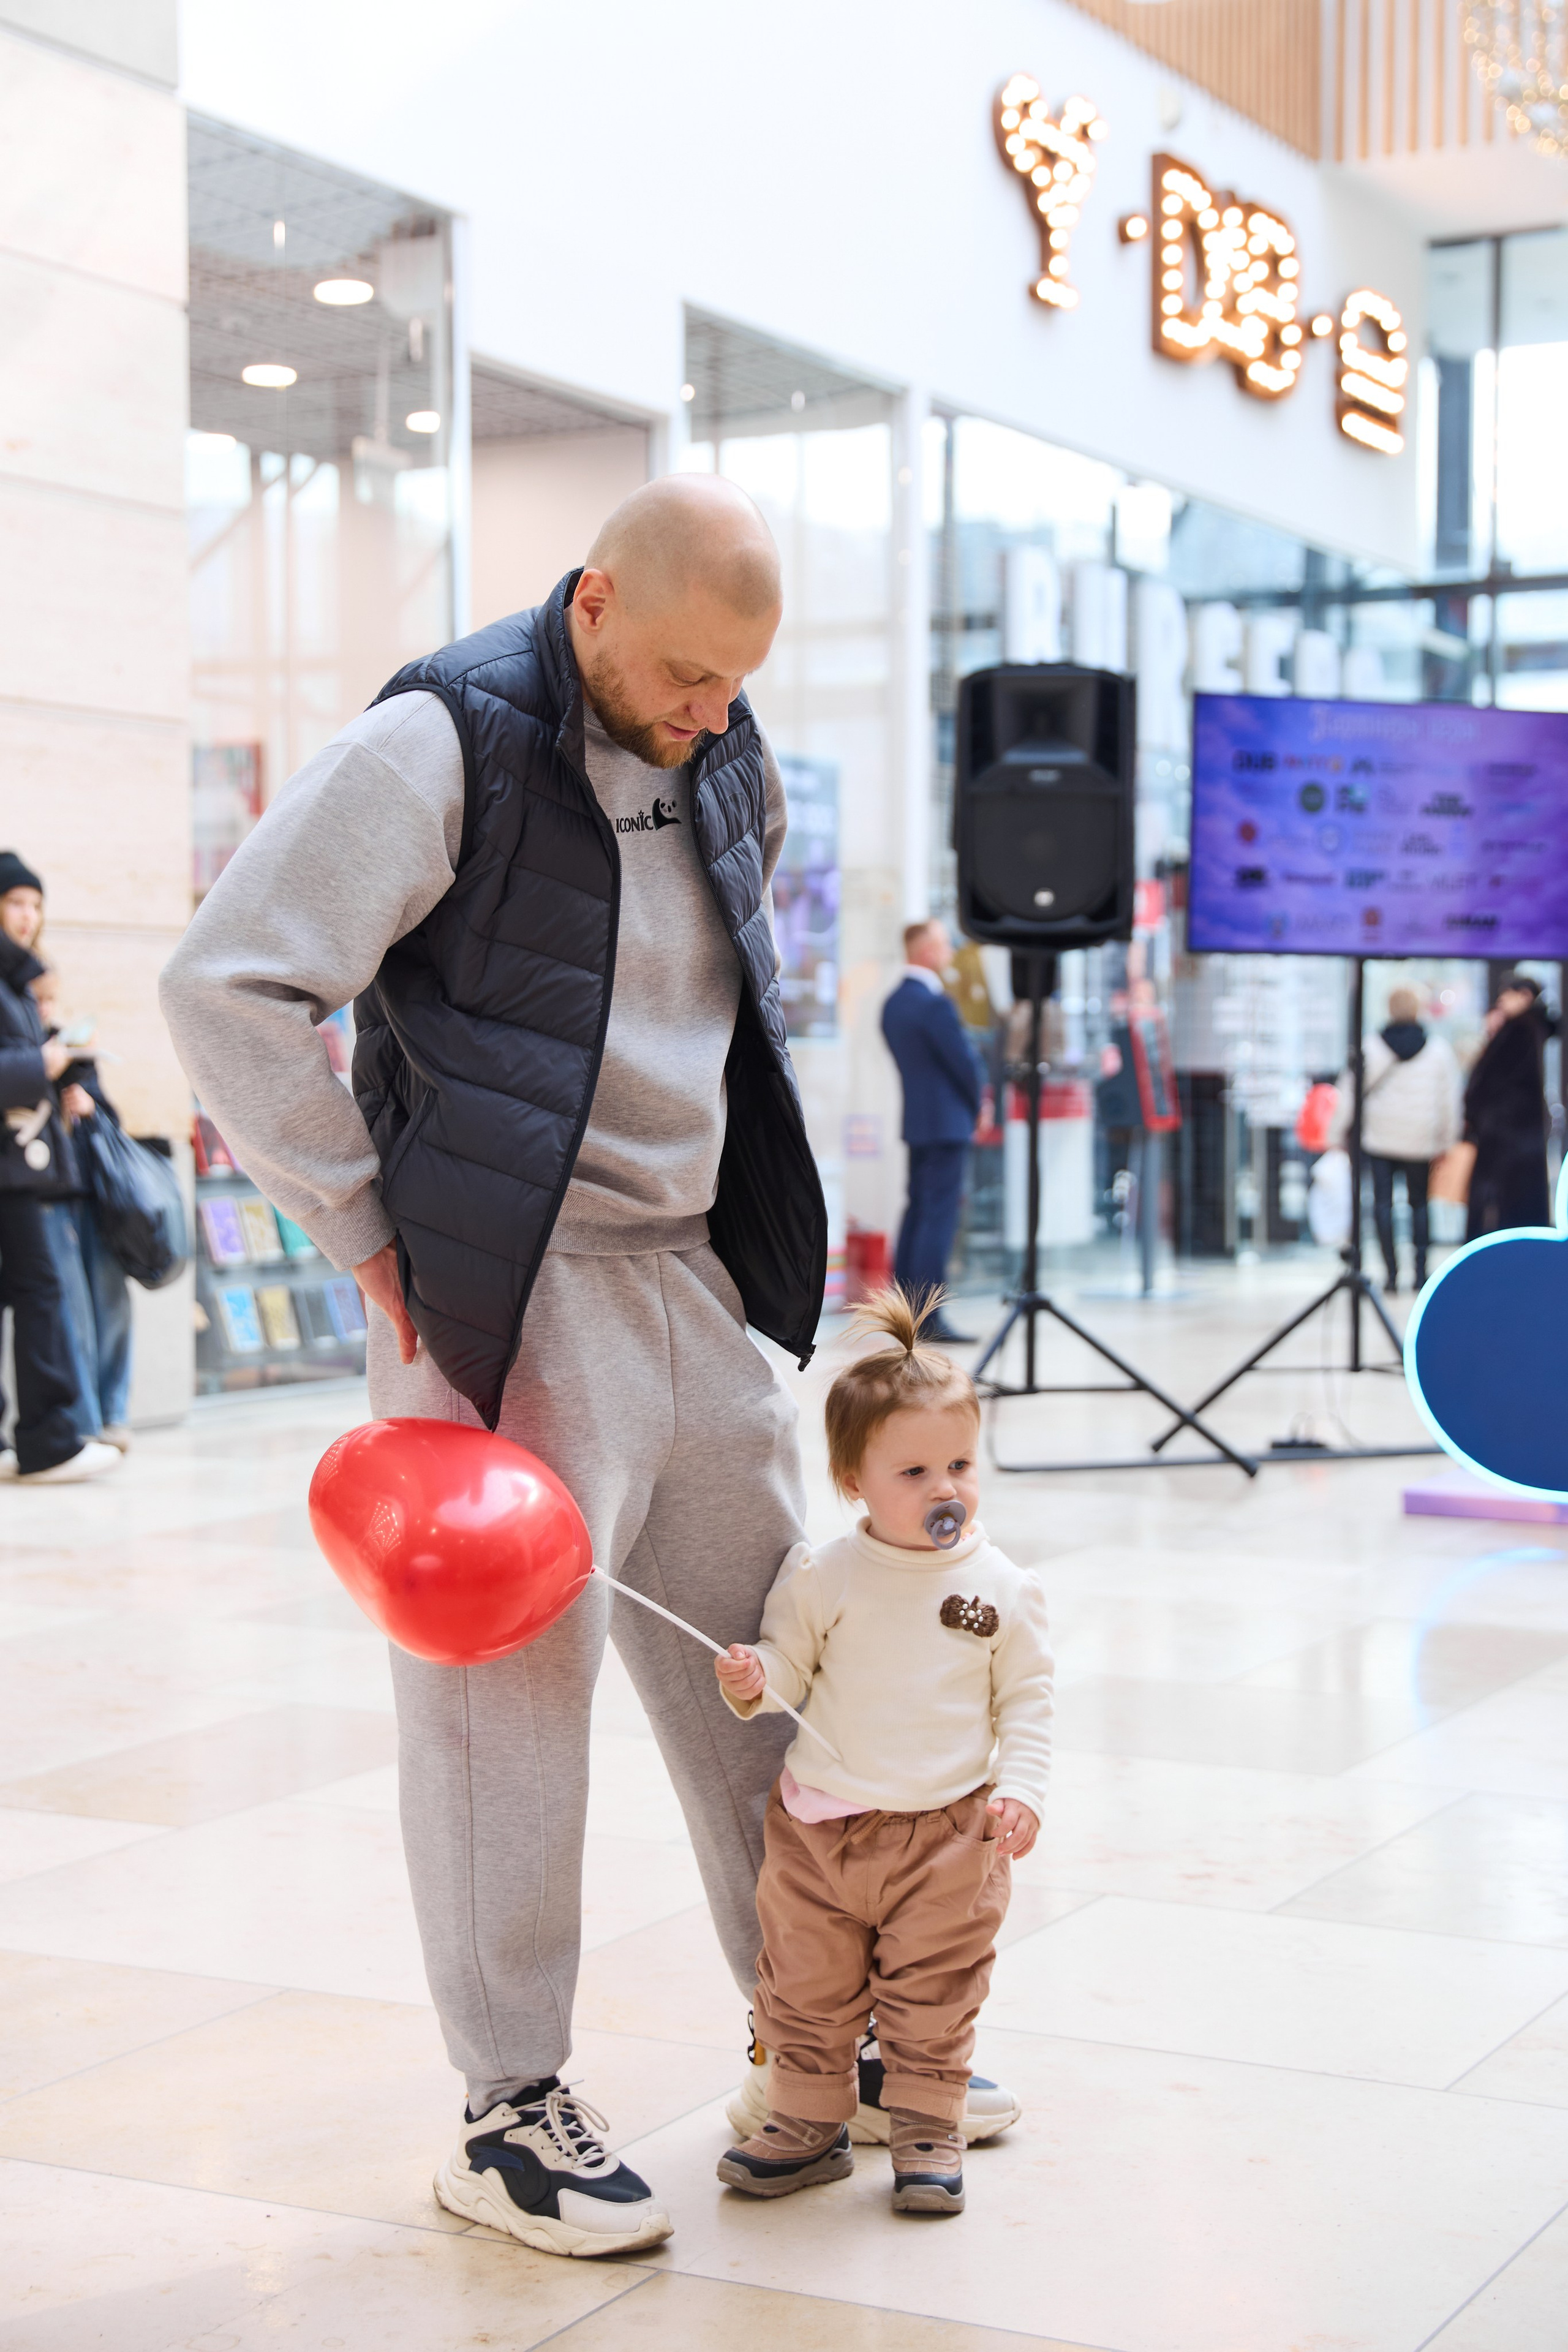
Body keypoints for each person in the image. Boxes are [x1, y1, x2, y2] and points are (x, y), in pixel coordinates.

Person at [160, 476, 1016, 2260]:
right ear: (595, 598)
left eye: (739, 683)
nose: (715, 712)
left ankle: (818, 2038)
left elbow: (713, 1012)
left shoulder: (724, 749)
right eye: (688, 672)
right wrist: (366, 1229)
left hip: (681, 1280)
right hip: (503, 1296)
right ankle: (507, 2105)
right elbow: (225, 982)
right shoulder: (435, 743)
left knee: (781, 1683)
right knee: (503, 1722)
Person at [714, 1288, 1052, 2217]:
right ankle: (805, 2120)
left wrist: (1021, 1787)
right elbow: (790, 1664)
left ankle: (926, 2129)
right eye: (914, 1472)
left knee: (934, 1994)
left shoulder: (1002, 1587)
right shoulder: (824, 1575)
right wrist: (756, 1678)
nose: (945, 1489)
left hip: (948, 1836)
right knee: (805, 1987)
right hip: (823, 1831)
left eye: (959, 1465)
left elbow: (1026, 1696)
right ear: (854, 1480)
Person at [0, 853, 119, 1483]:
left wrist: (66, 1069)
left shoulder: (19, 983)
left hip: (22, 1165)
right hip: (13, 1169)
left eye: (35, 904)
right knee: (42, 1294)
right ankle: (50, 1444)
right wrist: (38, 1067)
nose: (29, 916)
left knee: (33, 1295)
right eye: (16, 902)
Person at [30, 968, 134, 1450]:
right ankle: (87, 1422)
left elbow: (112, 1120)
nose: (44, 1011)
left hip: (97, 1192)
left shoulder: (68, 1050)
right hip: (52, 1197)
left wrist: (88, 1106)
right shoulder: (24, 1058)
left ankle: (113, 1414)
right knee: (72, 1313)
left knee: (111, 1307)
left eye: (48, 1001)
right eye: (35, 1001)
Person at [881, 920, 983, 1343]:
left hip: (919, 1123)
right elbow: (964, 1064)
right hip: (948, 1124)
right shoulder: (934, 1004)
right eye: (942, 945)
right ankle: (929, 1319)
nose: (949, 952)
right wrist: (980, 1105)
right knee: (937, 1218)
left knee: (918, 1211)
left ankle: (903, 1311)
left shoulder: (894, 1004)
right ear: (924, 952)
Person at [1329, 983, 1462, 1292]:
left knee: (1382, 1205)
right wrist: (1447, 1140)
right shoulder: (1438, 1049)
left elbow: (1348, 1093)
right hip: (1421, 1139)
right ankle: (1420, 1274)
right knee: (1419, 1205)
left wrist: (1335, 1133)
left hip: (1379, 1139)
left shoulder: (1371, 1047)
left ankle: (1390, 1275)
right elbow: (1449, 1100)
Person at [1463, 973, 1556, 1240]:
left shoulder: (1521, 1029)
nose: (1501, 1001)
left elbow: (1491, 1078)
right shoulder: (1528, 1028)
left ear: (1524, 997)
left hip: (1507, 1135)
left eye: (1507, 994)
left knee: (1501, 1202)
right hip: (1516, 1134)